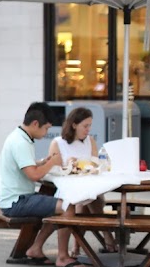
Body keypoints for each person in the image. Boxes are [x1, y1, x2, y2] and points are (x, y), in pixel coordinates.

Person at [0, 102, 85, 267]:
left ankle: (36, 248)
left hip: (15, 198)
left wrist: (42, 162)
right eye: (46, 129)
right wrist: (52, 162)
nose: (46, 134)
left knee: (55, 205)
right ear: (35, 124)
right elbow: (34, 175)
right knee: (67, 206)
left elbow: (27, 166)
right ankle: (63, 257)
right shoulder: (21, 142)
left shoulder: (20, 136)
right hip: (17, 201)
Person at [48, 107, 117, 255]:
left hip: (88, 185)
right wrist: (69, 164)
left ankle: (78, 246)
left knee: (92, 197)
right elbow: (56, 169)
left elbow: (95, 163)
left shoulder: (89, 141)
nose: (88, 129)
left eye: (90, 126)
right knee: (85, 202)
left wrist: (87, 165)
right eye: (85, 126)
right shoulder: (58, 143)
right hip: (68, 188)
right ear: (74, 125)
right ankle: (105, 236)